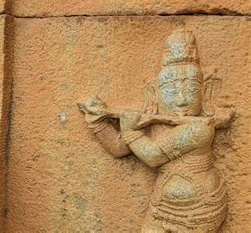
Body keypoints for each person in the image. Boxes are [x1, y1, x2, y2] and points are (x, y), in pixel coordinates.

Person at [80, 29, 233, 232]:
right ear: (154, 93)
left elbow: (152, 156)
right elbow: (119, 147)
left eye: (191, 90)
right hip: (161, 205)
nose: (181, 100)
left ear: (204, 92)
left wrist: (131, 130)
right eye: (170, 91)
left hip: (198, 208)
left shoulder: (200, 129)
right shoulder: (153, 122)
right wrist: (97, 122)